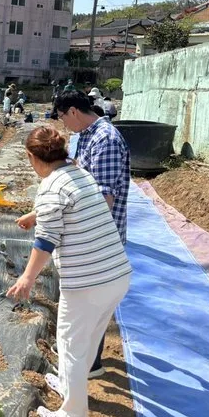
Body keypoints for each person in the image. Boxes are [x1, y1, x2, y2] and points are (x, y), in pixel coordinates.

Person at [9, 126, 131, 417]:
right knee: (86, 339)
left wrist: (27, 276)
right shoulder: (80, 173)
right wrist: (34, 214)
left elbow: (46, 239)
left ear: (31, 157)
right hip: (116, 274)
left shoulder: (50, 185)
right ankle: (68, 386)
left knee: (70, 342)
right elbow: (68, 204)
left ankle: (72, 412)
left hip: (89, 282)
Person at [55, 89, 131, 378]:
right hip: (84, 233)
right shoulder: (86, 135)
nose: (63, 125)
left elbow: (103, 199)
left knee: (91, 299)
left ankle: (90, 364)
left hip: (99, 236)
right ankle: (77, 349)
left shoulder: (106, 140)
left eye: (63, 118)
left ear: (73, 111)